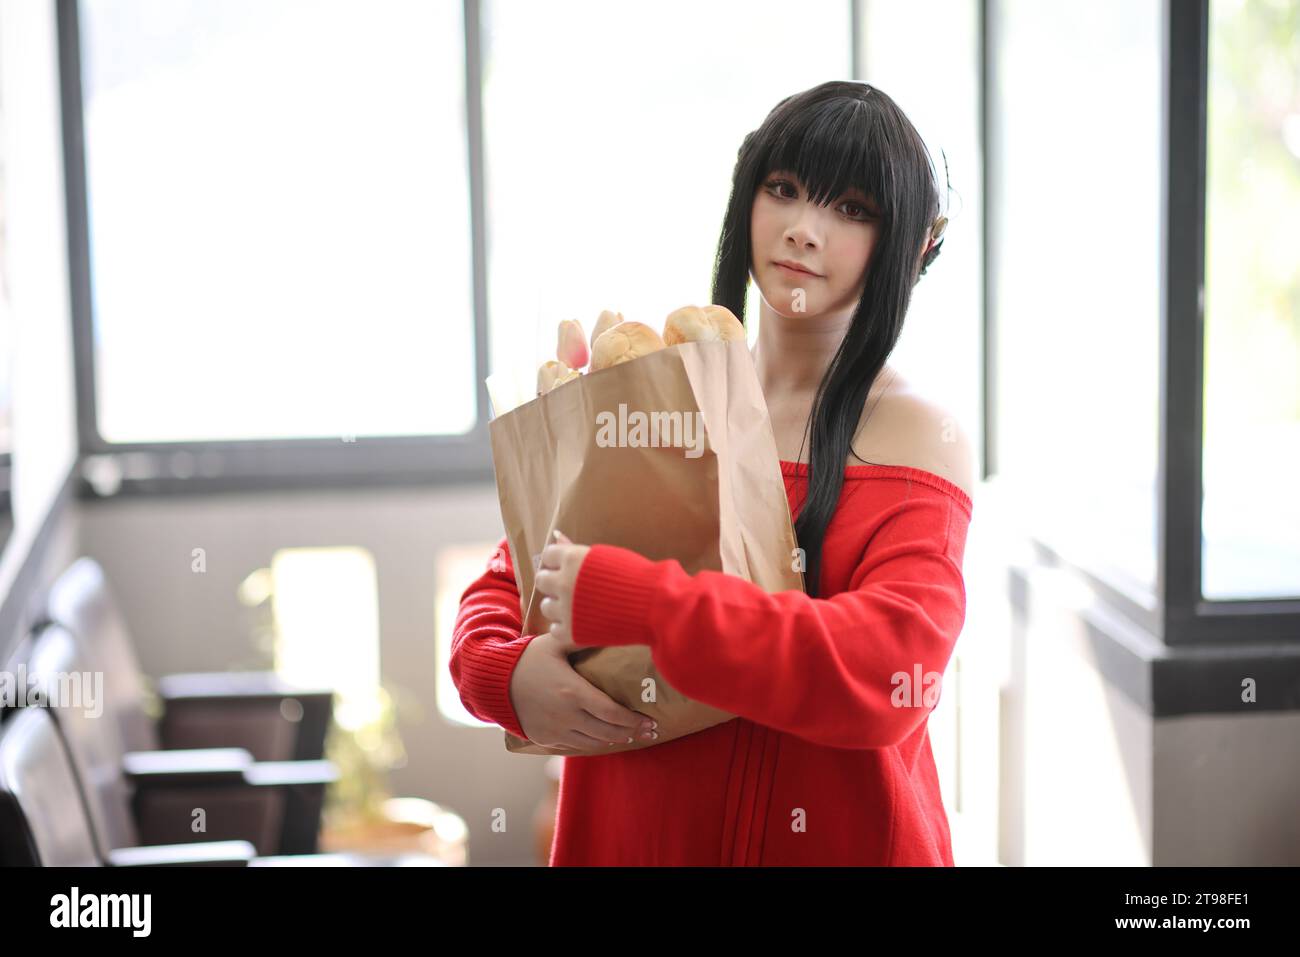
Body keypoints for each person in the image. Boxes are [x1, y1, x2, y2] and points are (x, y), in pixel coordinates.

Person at [451, 80, 975, 865]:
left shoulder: (918, 436)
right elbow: (509, 581)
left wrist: (643, 603)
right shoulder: (657, 382)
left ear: (914, 245)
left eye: (852, 209)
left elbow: (886, 670)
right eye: (785, 189)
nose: (804, 229)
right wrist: (507, 674)